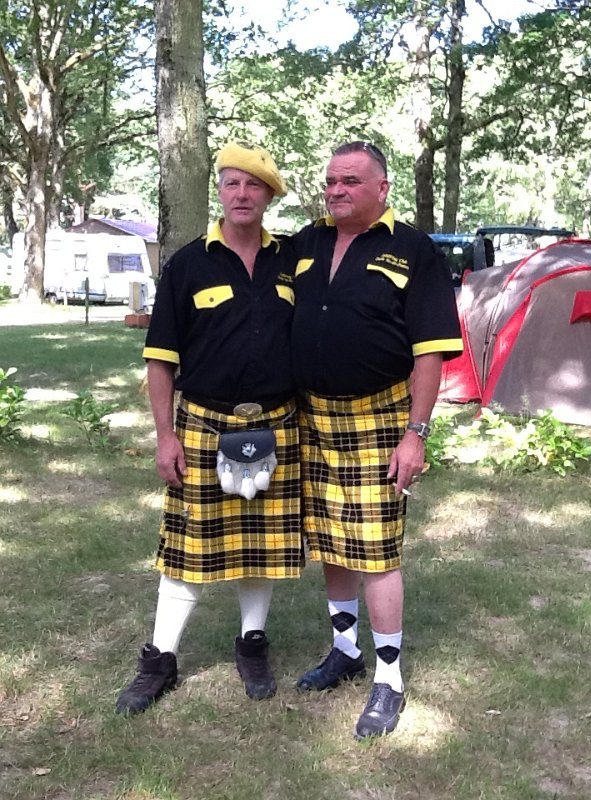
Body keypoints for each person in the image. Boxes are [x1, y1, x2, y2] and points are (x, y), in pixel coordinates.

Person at [116, 142, 304, 714]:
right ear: (219, 192)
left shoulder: (294, 260)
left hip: (276, 421)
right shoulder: (188, 264)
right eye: (231, 183)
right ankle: (161, 659)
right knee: (187, 548)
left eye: (253, 185)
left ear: (269, 195)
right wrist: (164, 436)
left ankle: (252, 643)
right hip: (203, 422)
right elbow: (160, 359)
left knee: (261, 545)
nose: (241, 194)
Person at [291, 141, 463, 740]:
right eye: (331, 181)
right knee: (332, 542)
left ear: (382, 188)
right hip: (314, 419)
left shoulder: (413, 249)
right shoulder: (306, 243)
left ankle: (389, 679)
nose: (337, 190)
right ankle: (345, 650)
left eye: (351, 181)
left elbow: (430, 352)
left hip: (380, 419)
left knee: (378, 552)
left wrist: (416, 433)